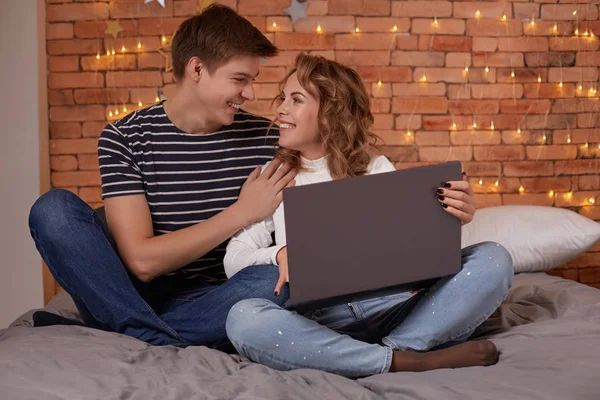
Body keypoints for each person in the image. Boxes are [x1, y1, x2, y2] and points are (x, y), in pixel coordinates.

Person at [224, 54, 514, 378]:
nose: (279, 109)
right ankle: (404, 360)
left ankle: (384, 352)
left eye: (296, 99)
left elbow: (412, 251)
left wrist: (451, 218)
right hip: (320, 319)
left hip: (396, 308)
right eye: (283, 97)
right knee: (243, 318)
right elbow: (233, 258)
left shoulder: (375, 167)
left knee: (494, 258)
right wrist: (279, 254)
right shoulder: (275, 176)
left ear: (330, 113)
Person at [28, 5, 297, 349]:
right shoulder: (124, 137)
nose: (250, 94)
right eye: (239, 79)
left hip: (223, 296)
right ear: (197, 68)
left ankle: (136, 333)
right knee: (54, 210)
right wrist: (242, 212)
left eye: (252, 81)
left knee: (283, 276)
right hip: (134, 295)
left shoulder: (269, 139)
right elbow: (141, 262)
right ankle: (151, 330)